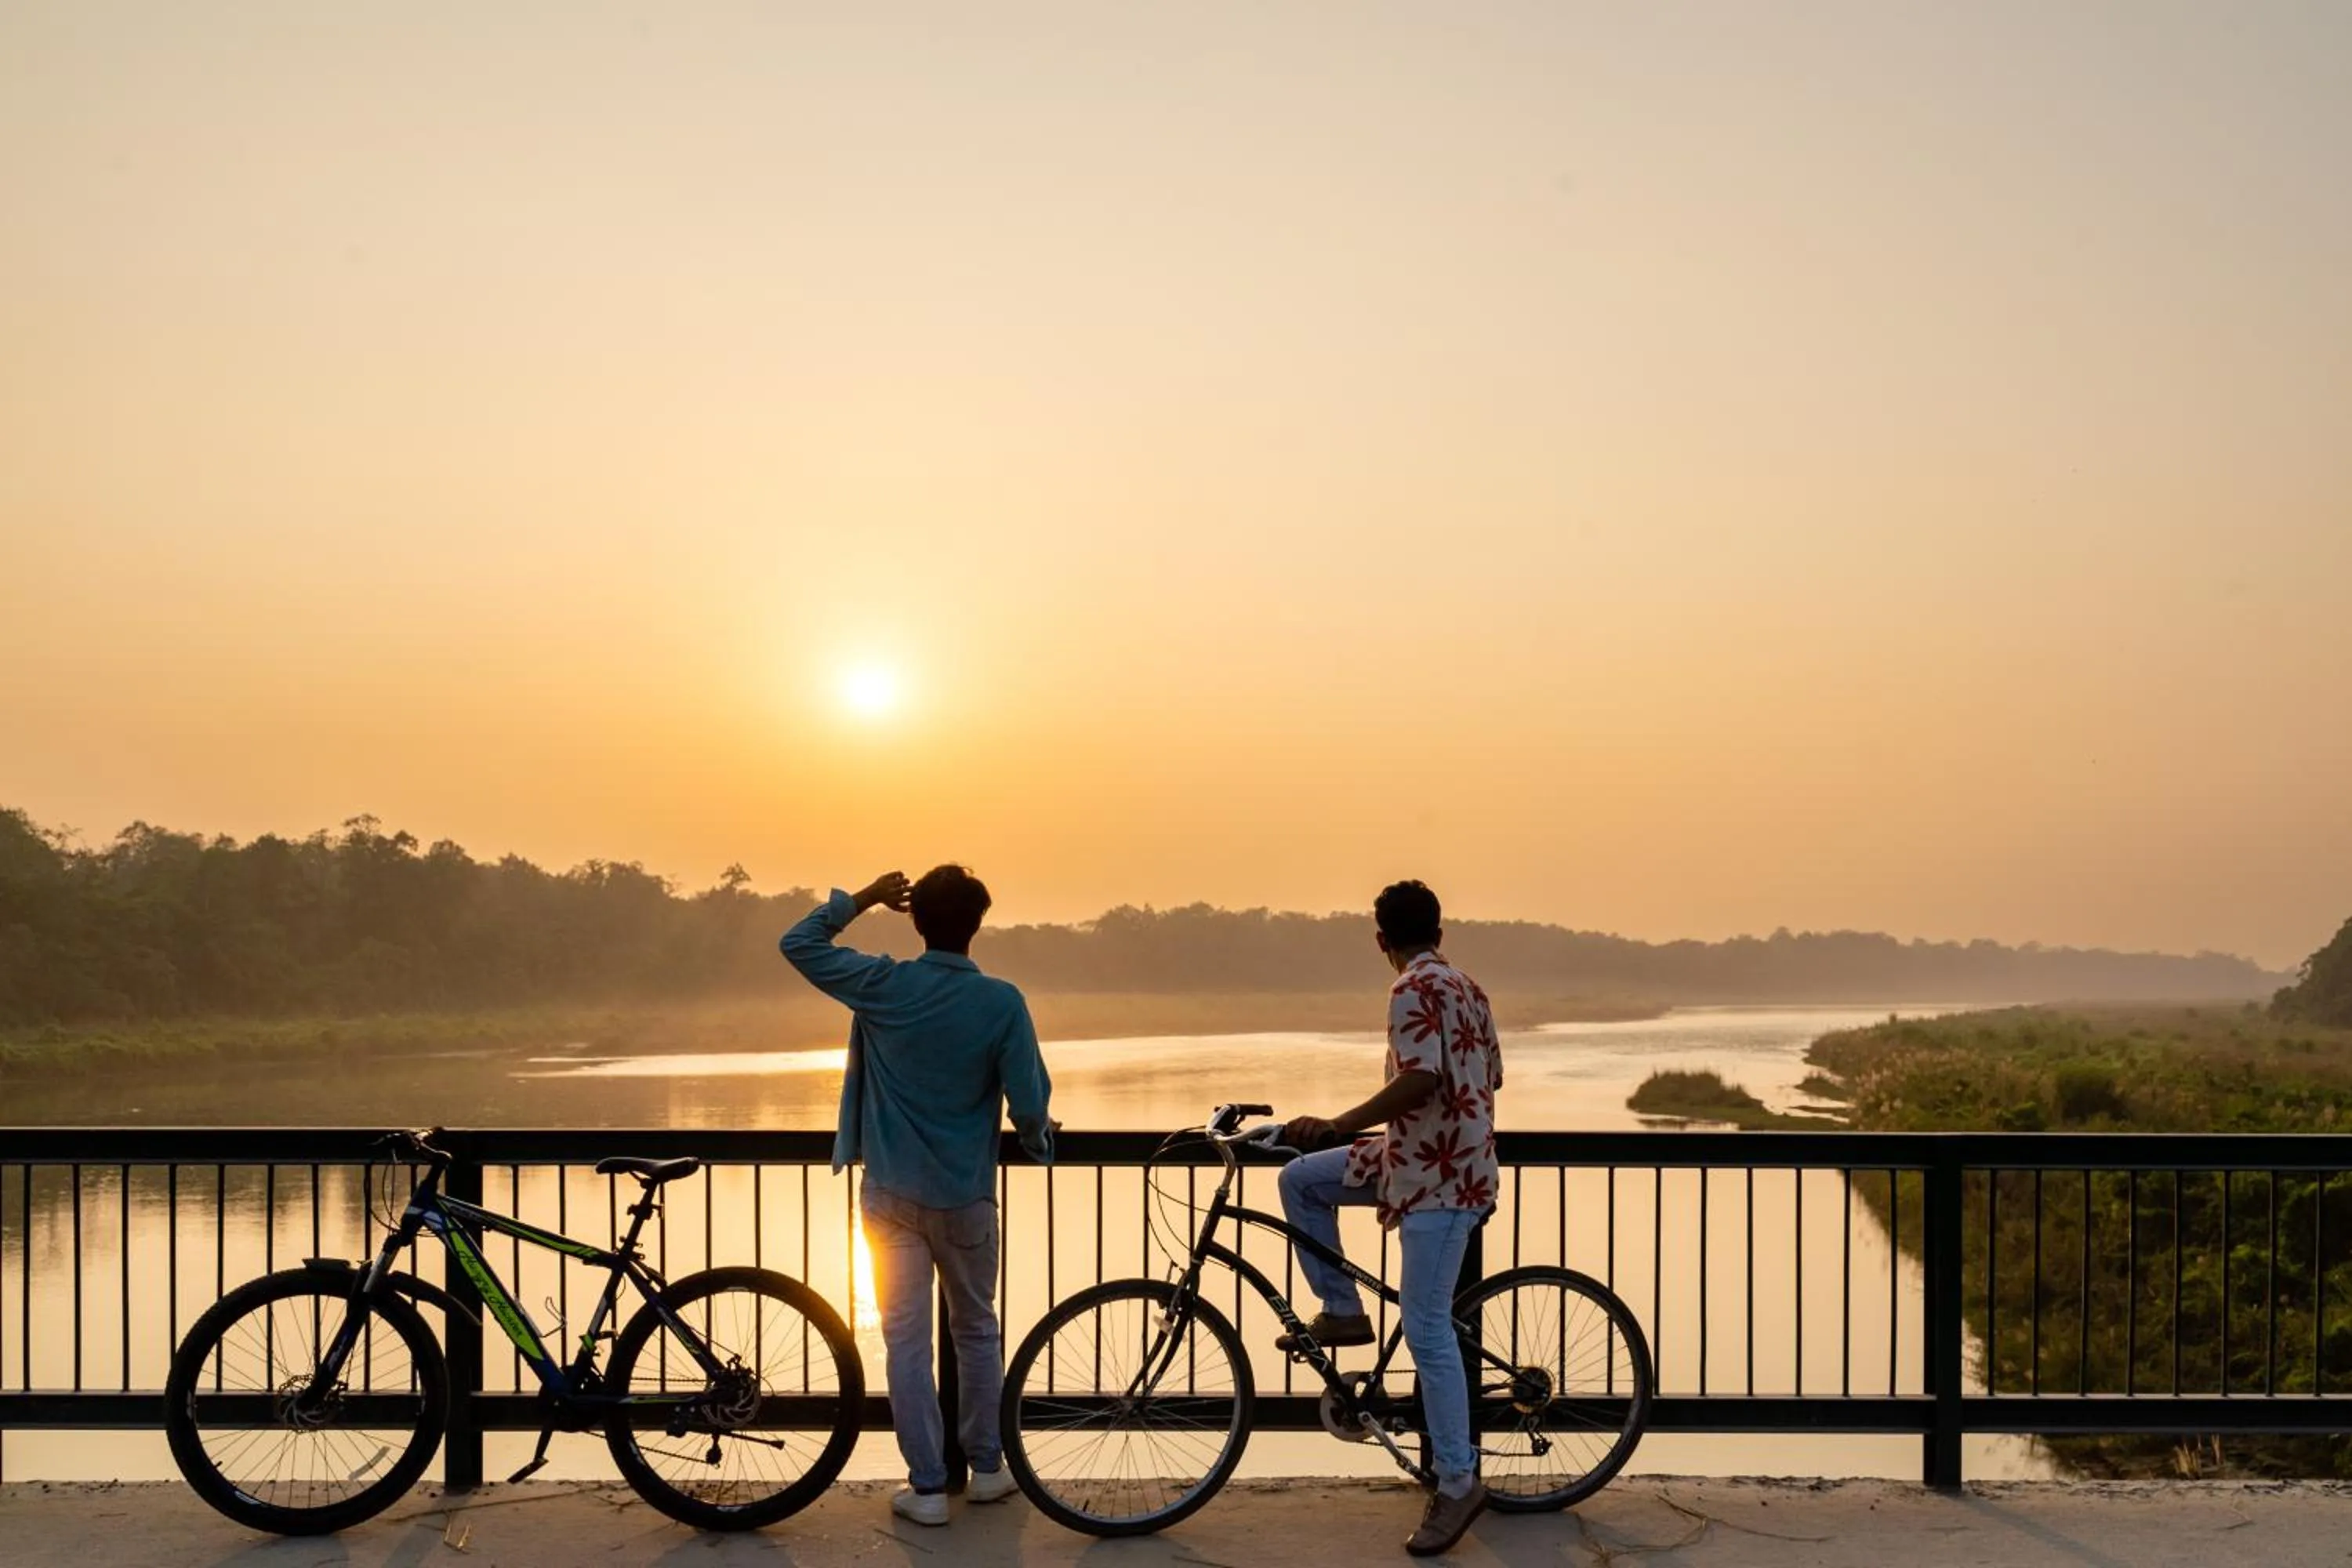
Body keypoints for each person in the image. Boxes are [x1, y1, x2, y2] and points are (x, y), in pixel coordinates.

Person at [782, 865, 1054, 1528]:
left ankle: (928, 1486)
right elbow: (1031, 1106)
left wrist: (863, 900)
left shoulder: (883, 985)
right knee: (977, 1331)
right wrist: (1041, 1141)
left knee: (905, 1342)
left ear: (916, 921)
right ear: (978, 925)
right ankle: (987, 1470)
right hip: (965, 1198)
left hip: (891, 1195)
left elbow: (800, 943)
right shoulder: (1001, 1002)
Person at [1276, 879, 1502, 1557]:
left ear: (1382, 941)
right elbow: (1487, 1078)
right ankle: (1343, 1311)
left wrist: (1342, 1122)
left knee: (1429, 1327)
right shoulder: (1471, 988)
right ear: (1440, 930)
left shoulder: (1409, 991)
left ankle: (1458, 1482)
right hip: (1425, 1161)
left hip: (1441, 1182)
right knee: (1301, 1180)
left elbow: (1423, 1077)